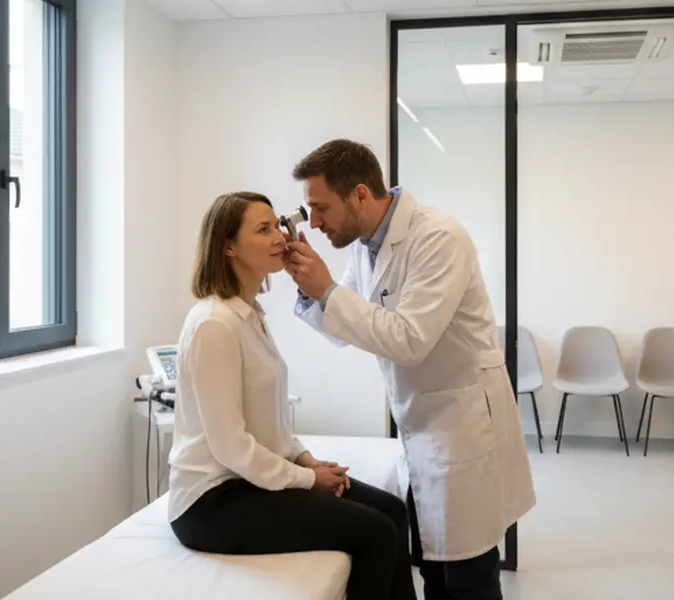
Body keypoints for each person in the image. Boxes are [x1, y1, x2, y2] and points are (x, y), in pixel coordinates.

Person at [284, 140, 536, 600]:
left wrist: (328, 290)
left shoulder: (438, 237)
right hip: (422, 426)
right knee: (436, 574)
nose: (315, 223)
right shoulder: (367, 245)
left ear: (360, 194)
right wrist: (310, 289)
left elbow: (409, 339)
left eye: (321, 208)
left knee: (470, 581)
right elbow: (345, 329)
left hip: (463, 425)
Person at [167, 191, 417, 600]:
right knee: (375, 534)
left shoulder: (250, 315)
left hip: (250, 481)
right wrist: (305, 479)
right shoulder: (215, 325)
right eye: (263, 230)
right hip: (212, 501)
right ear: (228, 247)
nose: (281, 237)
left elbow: (267, 421)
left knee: (392, 511)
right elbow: (230, 446)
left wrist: (303, 458)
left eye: (276, 226)